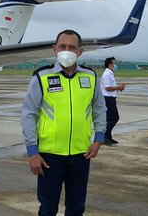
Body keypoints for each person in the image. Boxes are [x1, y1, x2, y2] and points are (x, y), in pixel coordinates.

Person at [21, 29, 107, 216]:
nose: (67, 50)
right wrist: (32, 152)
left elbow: (100, 110)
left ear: (80, 52)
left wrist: (98, 139)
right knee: (48, 208)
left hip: (81, 155)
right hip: (48, 157)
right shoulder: (41, 77)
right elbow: (29, 114)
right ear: (54, 49)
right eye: (62, 46)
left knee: (76, 208)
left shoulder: (90, 77)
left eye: (72, 47)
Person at [100, 57, 125, 145]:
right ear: (110, 64)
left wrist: (117, 88)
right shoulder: (107, 74)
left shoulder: (110, 74)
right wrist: (119, 87)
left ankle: (108, 137)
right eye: (113, 63)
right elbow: (108, 88)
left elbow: (111, 87)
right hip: (108, 99)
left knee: (110, 119)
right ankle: (105, 137)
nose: (115, 65)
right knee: (114, 118)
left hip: (111, 98)